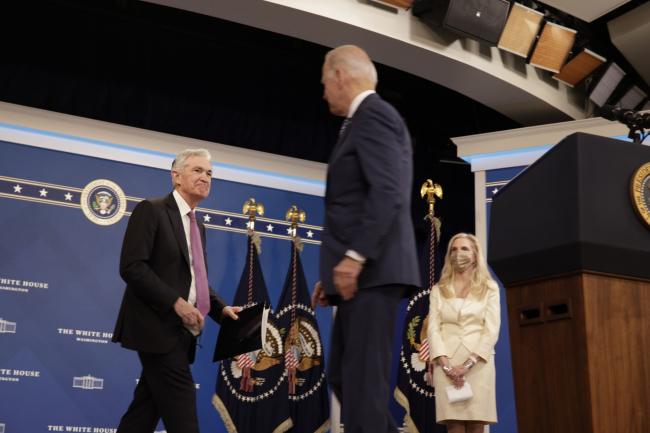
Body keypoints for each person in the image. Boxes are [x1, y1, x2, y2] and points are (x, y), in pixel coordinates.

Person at [311, 45, 420, 433]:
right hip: (363, 275)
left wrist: (355, 257)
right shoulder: (360, 122)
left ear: (340, 75)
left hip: (375, 272)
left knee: (363, 390)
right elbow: (357, 202)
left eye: (325, 82)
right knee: (345, 377)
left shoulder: (375, 115)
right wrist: (335, 270)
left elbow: (387, 192)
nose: (324, 93)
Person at [112, 148, 241, 433]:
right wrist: (176, 303)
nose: (205, 177)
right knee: (183, 418)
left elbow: (196, 280)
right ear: (176, 177)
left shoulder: (199, 224)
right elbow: (132, 266)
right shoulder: (152, 210)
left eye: (209, 173)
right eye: (197, 170)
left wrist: (222, 310)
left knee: (143, 413)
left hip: (181, 334)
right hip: (156, 328)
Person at [427, 233, 500, 433]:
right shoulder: (439, 289)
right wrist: (446, 364)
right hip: (446, 364)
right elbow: (433, 328)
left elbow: (492, 329)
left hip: (478, 364)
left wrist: (468, 363)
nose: (458, 253)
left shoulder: (489, 288)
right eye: (454, 249)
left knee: (477, 424)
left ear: (476, 255)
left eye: (465, 249)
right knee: (455, 425)